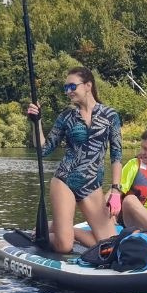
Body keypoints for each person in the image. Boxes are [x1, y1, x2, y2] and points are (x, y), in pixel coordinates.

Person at [26, 67, 123, 254]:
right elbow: (44, 150)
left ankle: (63, 228)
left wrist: (116, 190)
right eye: (66, 88)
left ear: (88, 85)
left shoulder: (110, 116)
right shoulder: (66, 117)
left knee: (110, 246)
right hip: (65, 181)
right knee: (64, 246)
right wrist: (36, 123)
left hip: (92, 186)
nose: (68, 91)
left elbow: (116, 155)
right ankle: (45, 234)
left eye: (72, 86)